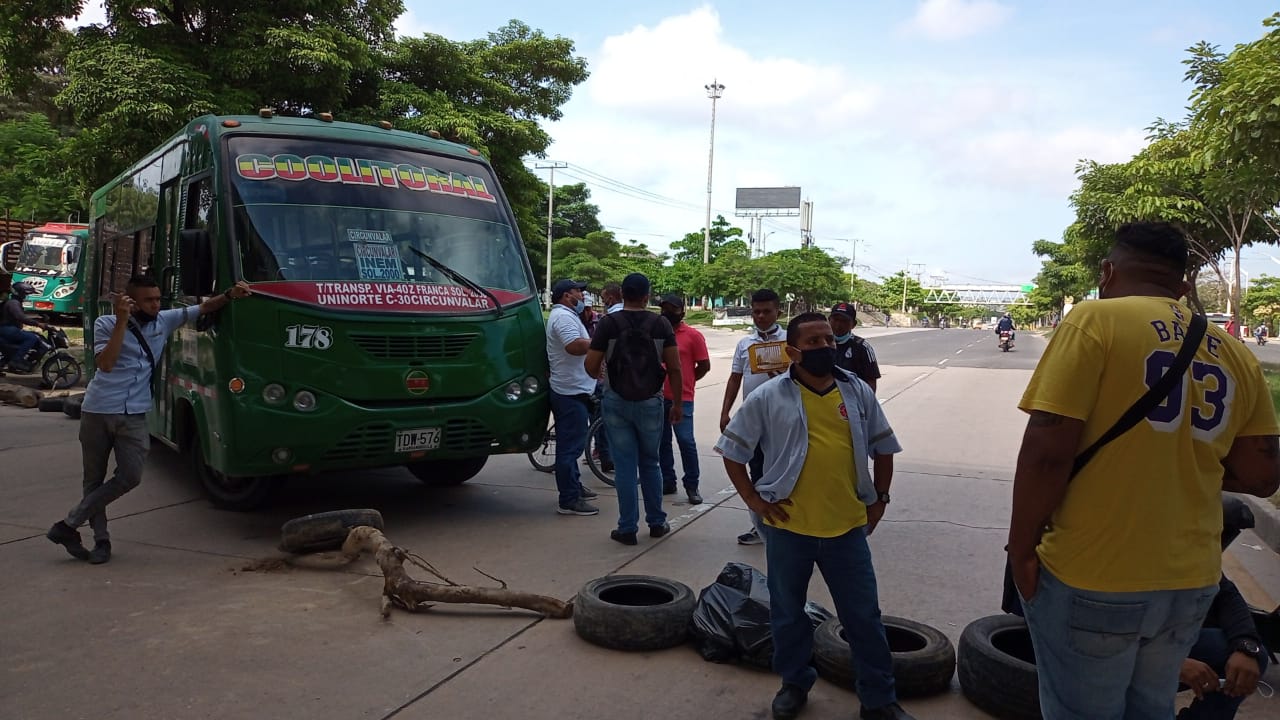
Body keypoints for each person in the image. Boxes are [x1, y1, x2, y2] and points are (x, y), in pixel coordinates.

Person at [1009, 221, 1280, 719]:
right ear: (1184, 285)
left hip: (1095, 573)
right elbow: (1263, 475)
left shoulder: (1095, 321)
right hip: (1190, 584)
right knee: (1151, 708)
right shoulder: (1234, 352)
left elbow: (1047, 451)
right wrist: (1183, 461)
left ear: (1108, 273)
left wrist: (1022, 551)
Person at [714, 312, 912, 720]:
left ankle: (879, 699)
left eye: (829, 340)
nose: (825, 347)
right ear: (793, 351)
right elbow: (732, 451)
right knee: (788, 614)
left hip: (847, 529)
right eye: (814, 342)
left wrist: (880, 500)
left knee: (863, 617)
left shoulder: (856, 391)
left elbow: (884, 447)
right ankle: (794, 683)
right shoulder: (768, 397)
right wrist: (754, 500)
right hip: (789, 529)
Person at [45, 275, 252, 564]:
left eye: (157, 299)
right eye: (148, 300)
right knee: (93, 480)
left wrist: (230, 295)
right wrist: (121, 322)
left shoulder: (164, 320)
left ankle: (68, 525)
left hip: (134, 413)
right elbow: (106, 364)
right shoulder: (106, 324)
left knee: (131, 476)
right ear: (132, 301)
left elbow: (204, 308)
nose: (156, 305)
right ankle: (101, 541)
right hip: (98, 411)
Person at [585, 273, 682, 545]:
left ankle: (627, 528)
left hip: (616, 400)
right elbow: (675, 367)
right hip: (651, 400)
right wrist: (676, 404)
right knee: (650, 461)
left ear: (622, 294)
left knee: (625, 464)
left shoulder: (608, 323)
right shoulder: (661, 324)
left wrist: (604, 374)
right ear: (646, 296)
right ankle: (657, 522)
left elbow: (590, 365)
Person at [722, 288, 787, 545]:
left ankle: (787, 524)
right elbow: (735, 378)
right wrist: (725, 412)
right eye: (756, 312)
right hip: (753, 421)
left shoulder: (789, 341)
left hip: (785, 420)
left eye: (766, 311)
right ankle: (760, 525)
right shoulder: (745, 344)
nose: (760, 316)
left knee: (782, 472)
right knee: (756, 471)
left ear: (777, 312)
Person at [543, 278, 600, 517]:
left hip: (575, 388)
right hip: (569, 392)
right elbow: (574, 346)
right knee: (570, 448)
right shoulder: (563, 317)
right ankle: (568, 499)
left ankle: (574, 486)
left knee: (572, 444)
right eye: (579, 291)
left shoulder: (567, 315)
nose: (582, 295)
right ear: (567, 296)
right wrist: (600, 343)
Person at [658, 294, 710, 504]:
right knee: (662, 442)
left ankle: (692, 485)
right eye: (664, 308)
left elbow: (704, 366)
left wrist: (688, 381)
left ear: (682, 312)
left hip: (683, 398)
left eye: (673, 309)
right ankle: (667, 481)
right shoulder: (656, 334)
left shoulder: (693, 336)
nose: (668, 313)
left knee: (686, 441)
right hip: (657, 397)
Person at [830, 302, 881, 392]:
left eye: (844, 321)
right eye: (835, 320)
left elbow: (871, 381)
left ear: (853, 324)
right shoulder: (820, 344)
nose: (838, 325)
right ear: (829, 320)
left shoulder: (862, 347)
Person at [0, 281, 48, 372]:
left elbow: (21, 316)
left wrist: (39, 317)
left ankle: (8, 362)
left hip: (8, 329)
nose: (25, 296)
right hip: (7, 329)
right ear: (20, 293)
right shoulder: (14, 303)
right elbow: (21, 317)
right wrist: (38, 324)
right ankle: (16, 361)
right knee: (32, 338)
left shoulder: (14, 302)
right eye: (25, 294)